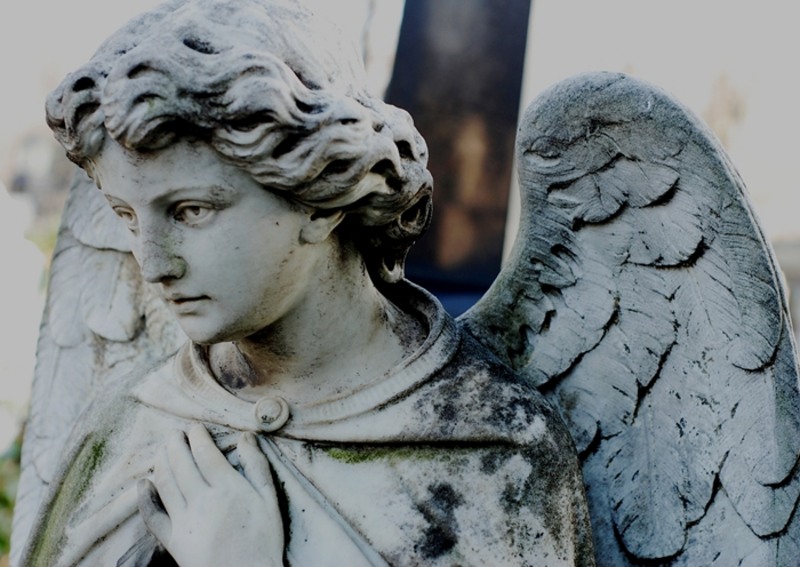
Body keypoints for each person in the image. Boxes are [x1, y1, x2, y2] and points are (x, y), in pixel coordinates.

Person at [17, 0, 594, 565]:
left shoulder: (488, 451)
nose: (152, 264)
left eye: (191, 211)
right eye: (127, 216)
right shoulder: (132, 421)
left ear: (320, 193)